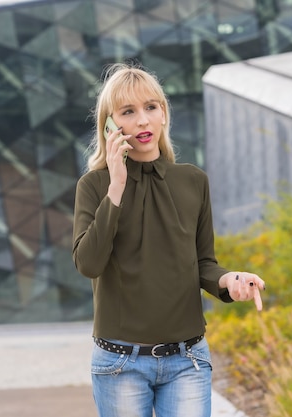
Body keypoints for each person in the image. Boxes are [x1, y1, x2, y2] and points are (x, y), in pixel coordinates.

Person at [72, 62, 266, 417]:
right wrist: (116, 186)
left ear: (163, 114)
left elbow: (203, 263)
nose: (143, 120)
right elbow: (89, 263)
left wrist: (230, 281)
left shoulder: (192, 181)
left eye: (151, 107)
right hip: (120, 363)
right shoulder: (94, 186)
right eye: (128, 112)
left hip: (187, 360)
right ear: (110, 126)